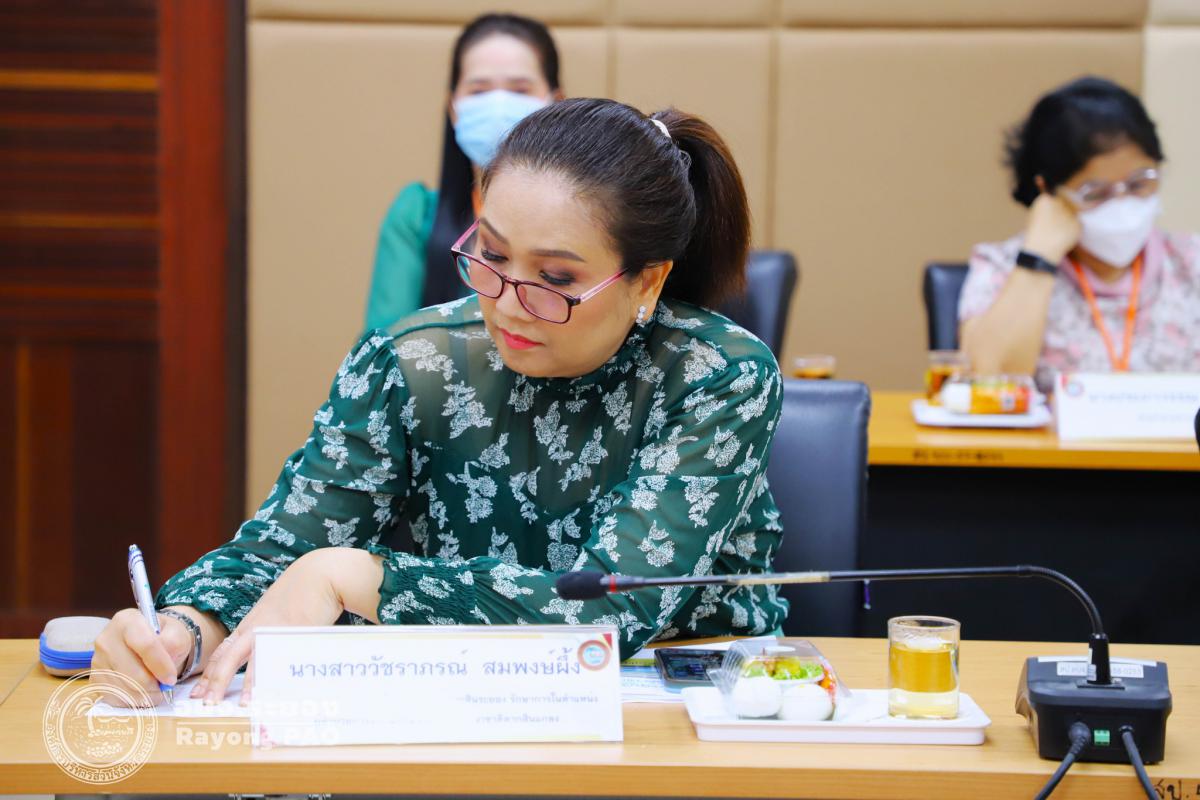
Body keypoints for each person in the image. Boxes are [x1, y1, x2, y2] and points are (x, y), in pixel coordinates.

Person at [92, 98, 790, 706]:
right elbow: (282, 553)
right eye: (492, 255)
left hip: (692, 713)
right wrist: (184, 629)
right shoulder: (413, 361)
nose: (507, 305)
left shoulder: (718, 376)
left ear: (648, 281)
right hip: (464, 705)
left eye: (554, 278)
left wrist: (355, 576)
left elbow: (609, 613)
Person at [959, 76, 1200, 392]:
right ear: (1048, 189)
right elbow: (987, 382)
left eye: (1140, 183)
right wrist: (1038, 256)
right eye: (1095, 193)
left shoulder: (1190, 261)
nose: (1122, 204)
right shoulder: (1000, 267)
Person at [363, 13, 564, 332]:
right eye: (479, 91)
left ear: (556, 102)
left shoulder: (585, 219)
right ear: (453, 107)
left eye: (519, 90)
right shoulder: (417, 216)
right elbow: (383, 345)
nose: (497, 106)